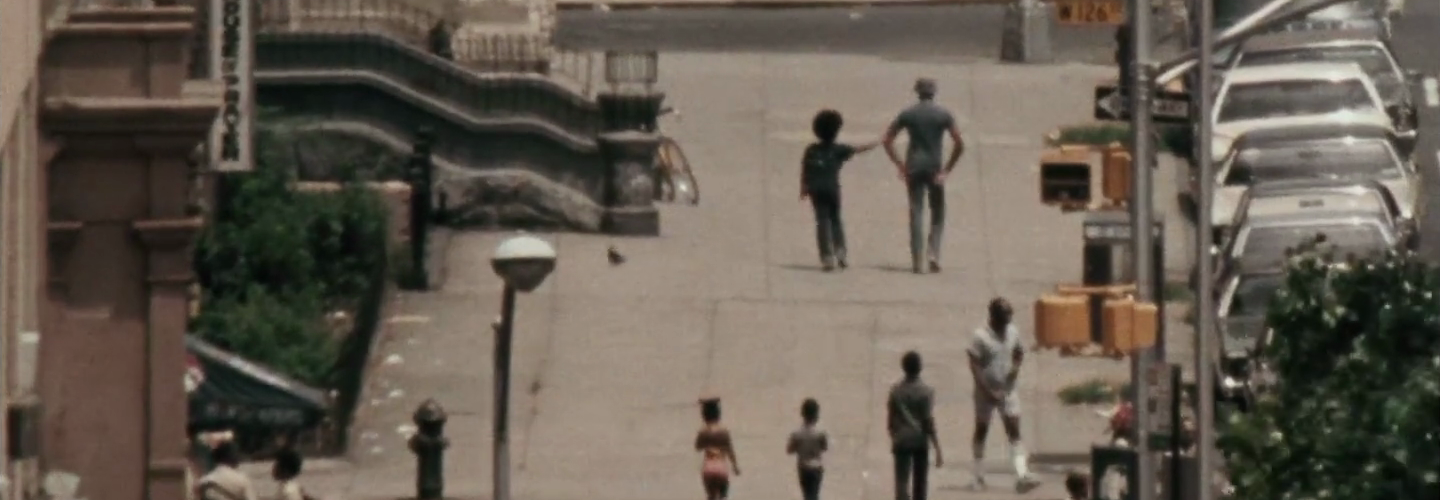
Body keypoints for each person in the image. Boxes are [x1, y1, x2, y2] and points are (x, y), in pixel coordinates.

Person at [882, 78, 965, 274]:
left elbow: (887, 140)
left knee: (916, 212)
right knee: (937, 211)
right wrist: (947, 169)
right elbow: (959, 143)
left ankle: (917, 259)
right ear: (934, 92)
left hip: (913, 166)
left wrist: (900, 164)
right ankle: (933, 253)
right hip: (934, 167)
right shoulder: (943, 114)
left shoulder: (908, 114)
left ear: (917, 92)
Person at [967, 298, 1040, 492]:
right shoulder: (980, 336)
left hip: (1007, 389)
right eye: (1003, 318)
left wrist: (1015, 369)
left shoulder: (1012, 331)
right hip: (985, 392)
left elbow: (1018, 352)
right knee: (981, 430)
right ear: (993, 316)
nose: (1006, 323)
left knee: (1014, 429)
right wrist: (987, 390)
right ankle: (978, 475)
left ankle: (1022, 474)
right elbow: (974, 365)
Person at [800, 109, 879, 271]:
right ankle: (840, 252)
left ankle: (827, 257)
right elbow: (859, 149)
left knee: (822, 222)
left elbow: (805, 169)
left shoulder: (811, 150)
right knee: (835, 220)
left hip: (816, 189)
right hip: (832, 189)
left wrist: (804, 187)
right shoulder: (838, 150)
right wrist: (877, 142)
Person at [888, 351, 943, 500]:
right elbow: (928, 420)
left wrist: (894, 436)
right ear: (920, 367)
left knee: (901, 481)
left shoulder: (895, 391)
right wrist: (937, 447)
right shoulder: (926, 391)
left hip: (902, 438)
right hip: (920, 440)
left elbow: (891, 419)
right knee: (920, 481)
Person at [695, 398, 741, 500]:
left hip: (708, 468)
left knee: (711, 497)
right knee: (722, 497)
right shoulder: (724, 431)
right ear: (718, 414)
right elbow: (730, 450)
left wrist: (707, 444)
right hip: (721, 467)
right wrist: (735, 467)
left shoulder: (703, 431)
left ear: (704, 415)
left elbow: (697, 447)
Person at [787, 398, 829, 500]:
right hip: (816, 467)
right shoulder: (820, 433)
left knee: (807, 494)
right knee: (814, 494)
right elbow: (824, 447)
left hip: (803, 467)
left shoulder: (797, 434)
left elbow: (789, 450)